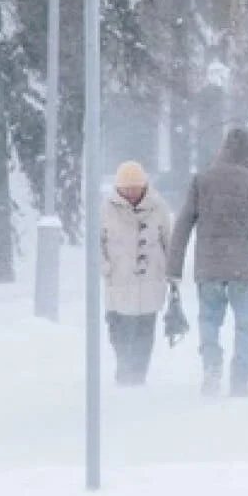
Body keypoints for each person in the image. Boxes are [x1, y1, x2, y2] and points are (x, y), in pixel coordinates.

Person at [168, 128, 248, 397]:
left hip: (209, 266)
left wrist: (174, 266)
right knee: (246, 324)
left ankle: (211, 364)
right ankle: (240, 379)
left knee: (209, 319)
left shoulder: (202, 181)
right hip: (243, 268)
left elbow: (183, 223)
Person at [101, 161, 173, 386]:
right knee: (119, 330)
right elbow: (97, 244)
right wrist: (106, 268)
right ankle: (124, 372)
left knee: (144, 332)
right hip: (119, 281)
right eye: (126, 188)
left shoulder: (158, 206)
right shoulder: (105, 209)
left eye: (135, 188)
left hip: (150, 281)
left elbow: (168, 241)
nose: (131, 193)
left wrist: (171, 272)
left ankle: (138, 376)